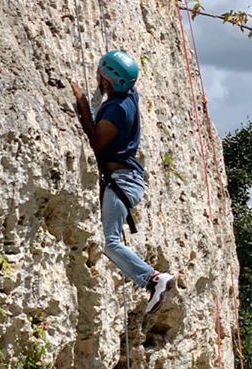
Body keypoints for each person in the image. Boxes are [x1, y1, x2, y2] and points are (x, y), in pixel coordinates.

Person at [70, 50, 174, 314]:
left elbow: (96, 144)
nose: (97, 78)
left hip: (121, 180)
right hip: (127, 178)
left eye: (100, 76)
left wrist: (83, 103)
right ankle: (152, 279)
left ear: (107, 82)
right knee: (112, 239)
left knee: (111, 242)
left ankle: (153, 278)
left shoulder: (116, 109)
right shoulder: (128, 96)